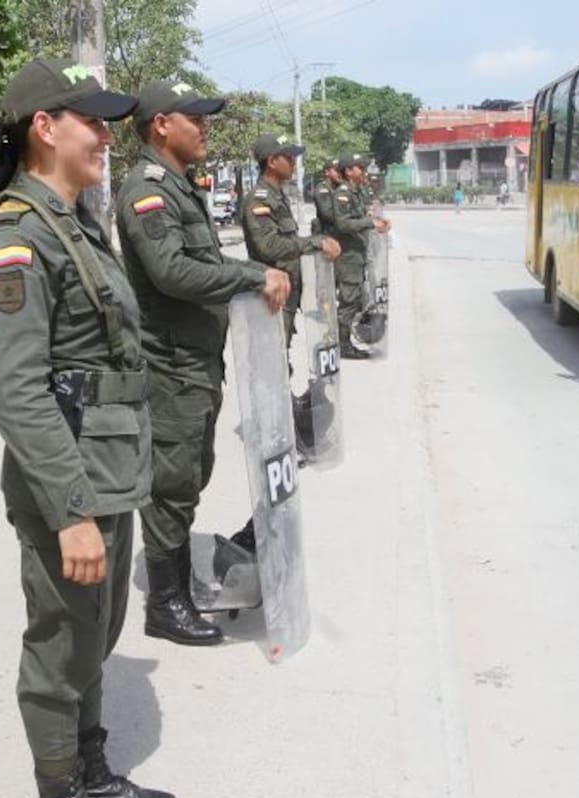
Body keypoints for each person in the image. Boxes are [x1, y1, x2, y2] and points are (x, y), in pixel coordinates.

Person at [0, 58, 169, 798]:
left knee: (99, 629)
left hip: (108, 468)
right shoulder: (19, 234)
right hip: (69, 483)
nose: (104, 133)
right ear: (43, 127)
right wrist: (71, 511)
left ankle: (89, 771)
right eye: (89, 119)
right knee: (62, 640)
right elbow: (17, 393)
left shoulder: (75, 220)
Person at [115, 80, 289, 645]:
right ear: (162, 124)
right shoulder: (146, 188)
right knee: (171, 482)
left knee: (190, 475)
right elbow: (173, 273)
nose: (205, 126)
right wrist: (253, 275)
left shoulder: (180, 186)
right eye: (195, 117)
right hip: (169, 366)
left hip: (194, 362)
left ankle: (177, 581)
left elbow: (203, 262)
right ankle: (165, 604)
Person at [241, 133, 341, 348]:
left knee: (280, 357)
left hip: (287, 293)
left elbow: (288, 241)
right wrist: (315, 243)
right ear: (271, 162)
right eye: (288, 157)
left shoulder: (277, 196)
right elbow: (269, 247)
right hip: (270, 296)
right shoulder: (259, 199)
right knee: (270, 361)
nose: (294, 163)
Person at [330, 153, 390, 358]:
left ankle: (344, 342)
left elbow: (358, 218)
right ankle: (343, 345)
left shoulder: (355, 193)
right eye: (359, 168)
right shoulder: (343, 193)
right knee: (348, 300)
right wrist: (369, 222)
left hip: (357, 254)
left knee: (354, 298)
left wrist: (372, 219)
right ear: (348, 171)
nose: (363, 172)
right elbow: (343, 223)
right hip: (348, 256)